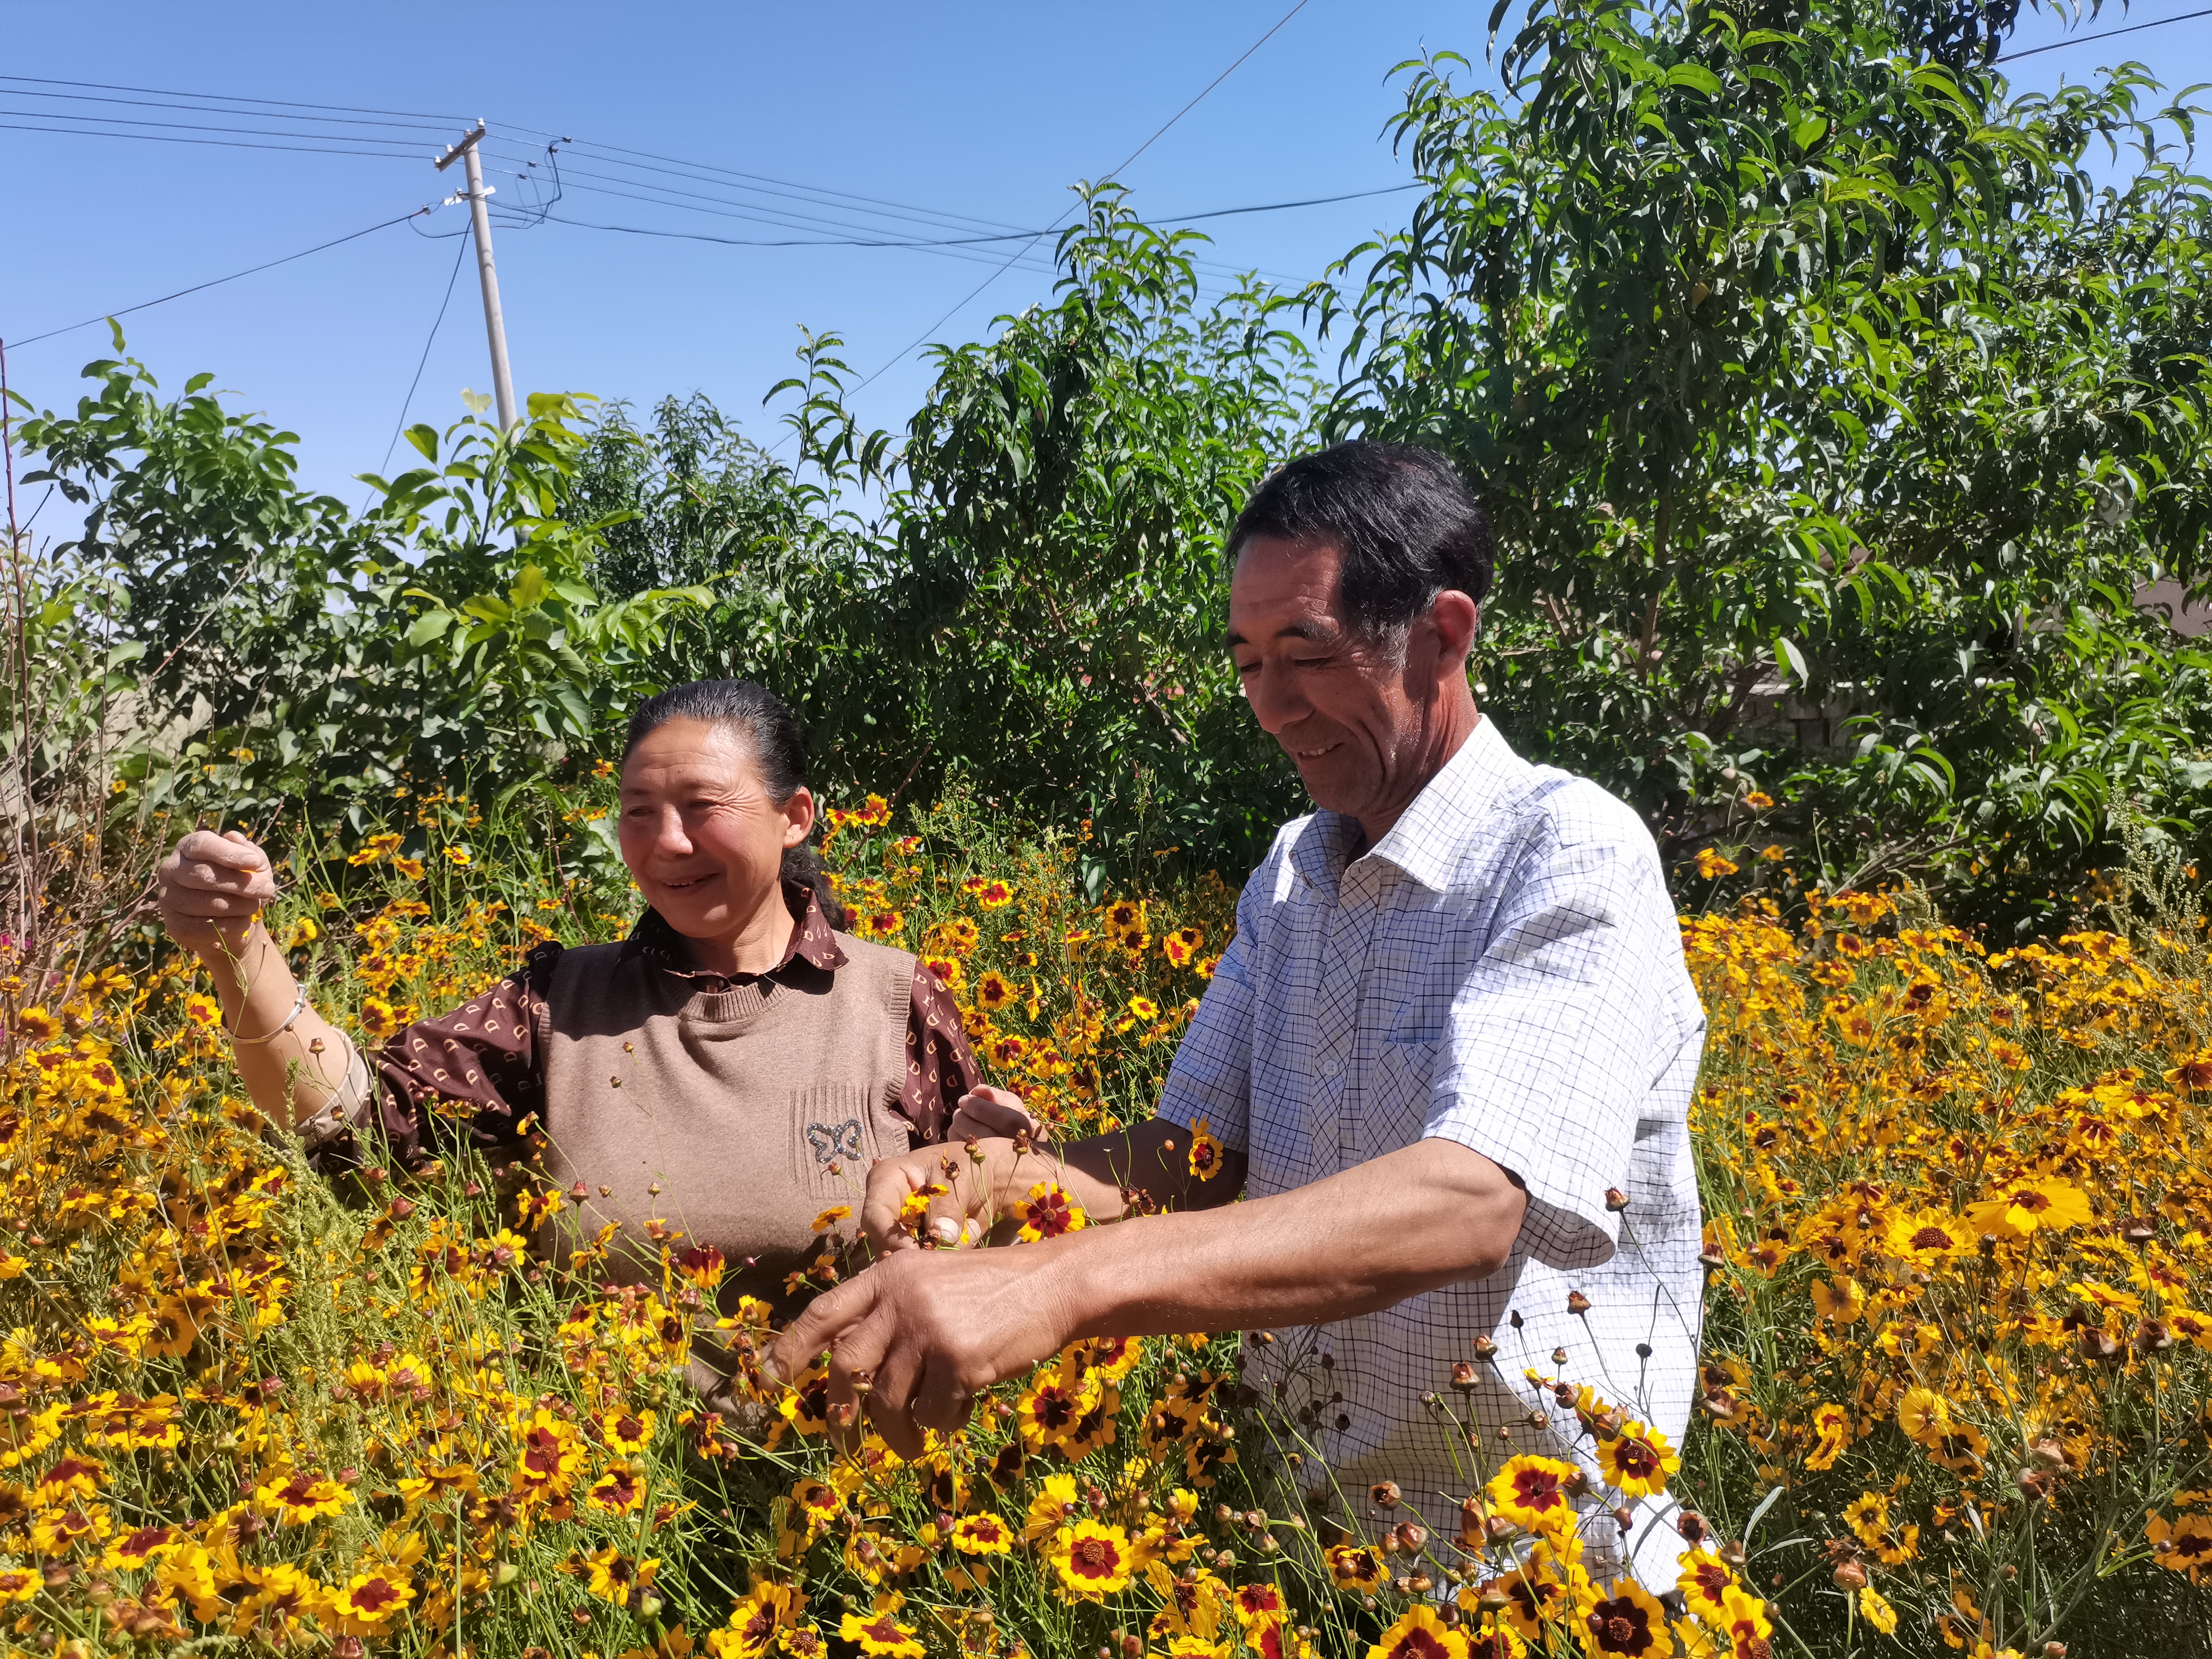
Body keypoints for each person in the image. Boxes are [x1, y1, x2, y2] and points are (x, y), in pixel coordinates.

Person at [772, 443, 1706, 1592]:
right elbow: (1194, 1157)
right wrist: (1000, 1184)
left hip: (1540, 1573)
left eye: (1305, 655)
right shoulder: (1293, 872)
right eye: (1249, 662)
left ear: (1443, 633)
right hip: (1309, 1556)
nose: (1270, 707)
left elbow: (1470, 1201)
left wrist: (1057, 1287)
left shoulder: (1567, 854)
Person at [156, 678, 1029, 1393]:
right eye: (639, 811)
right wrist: (240, 949)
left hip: (858, 1515)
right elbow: (354, 1121)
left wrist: (985, 1167)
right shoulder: (558, 1003)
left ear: (795, 816)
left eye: (703, 805)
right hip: (601, 1516)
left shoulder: (890, 998)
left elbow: (999, 1233)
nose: (667, 842)